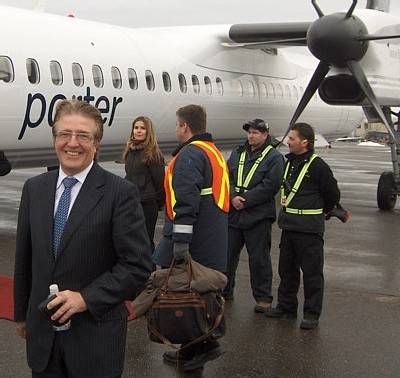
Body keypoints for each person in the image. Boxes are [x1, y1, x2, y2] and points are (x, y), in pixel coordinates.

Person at [13, 99, 152, 377]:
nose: (72, 143)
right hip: (44, 341)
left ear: (96, 143)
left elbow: (136, 266)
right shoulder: (34, 188)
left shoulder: (120, 193)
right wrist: (21, 314)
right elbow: (25, 257)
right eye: (64, 134)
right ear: (55, 139)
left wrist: (85, 298)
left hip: (94, 340)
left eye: (83, 136)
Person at [153, 104, 229, 371]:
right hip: (213, 235)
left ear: (184, 126)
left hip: (194, 237)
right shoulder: (214, 153)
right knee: (198, 293)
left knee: (185, 294)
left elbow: (186, 200)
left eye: (176, 124)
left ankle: (203, 347)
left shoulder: (189, 155)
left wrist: (181, 241)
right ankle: (190, 350)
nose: (175, 129)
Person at [264, 122, 341, 330]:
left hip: (309, 230)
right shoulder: (288, 163)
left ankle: (311, 314)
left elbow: (333, 195)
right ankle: (286, 307)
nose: (288, 142)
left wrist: (319, 209)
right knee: (287, 270)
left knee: (312, 273)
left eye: (292, 138)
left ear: (304, 142)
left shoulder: (318, 166)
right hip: (289, 227)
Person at [223, 119, 284, 312]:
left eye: (256, 132)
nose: (251, 136)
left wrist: (246, 200)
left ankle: (263, 297)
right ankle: (225, 291)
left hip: (258, 215)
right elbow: (228, 176)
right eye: (249, 132)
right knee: (227, 256)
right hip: (234, 214)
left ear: (265, 135)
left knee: (258, 259)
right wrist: (233, 197)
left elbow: (271, 185)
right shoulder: (237, 152)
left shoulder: (274, 157)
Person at [122, 116, 165, 252]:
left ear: (148, 131)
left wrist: (159, 203)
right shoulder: (130, 151)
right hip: (131, 203)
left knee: (145, 242)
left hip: (147, 203)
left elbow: (160, 181)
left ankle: (149, 271)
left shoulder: (153, 154)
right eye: (136, 128)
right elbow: (129, 175)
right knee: (130, 241)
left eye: (142, 128)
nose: (138, 131)